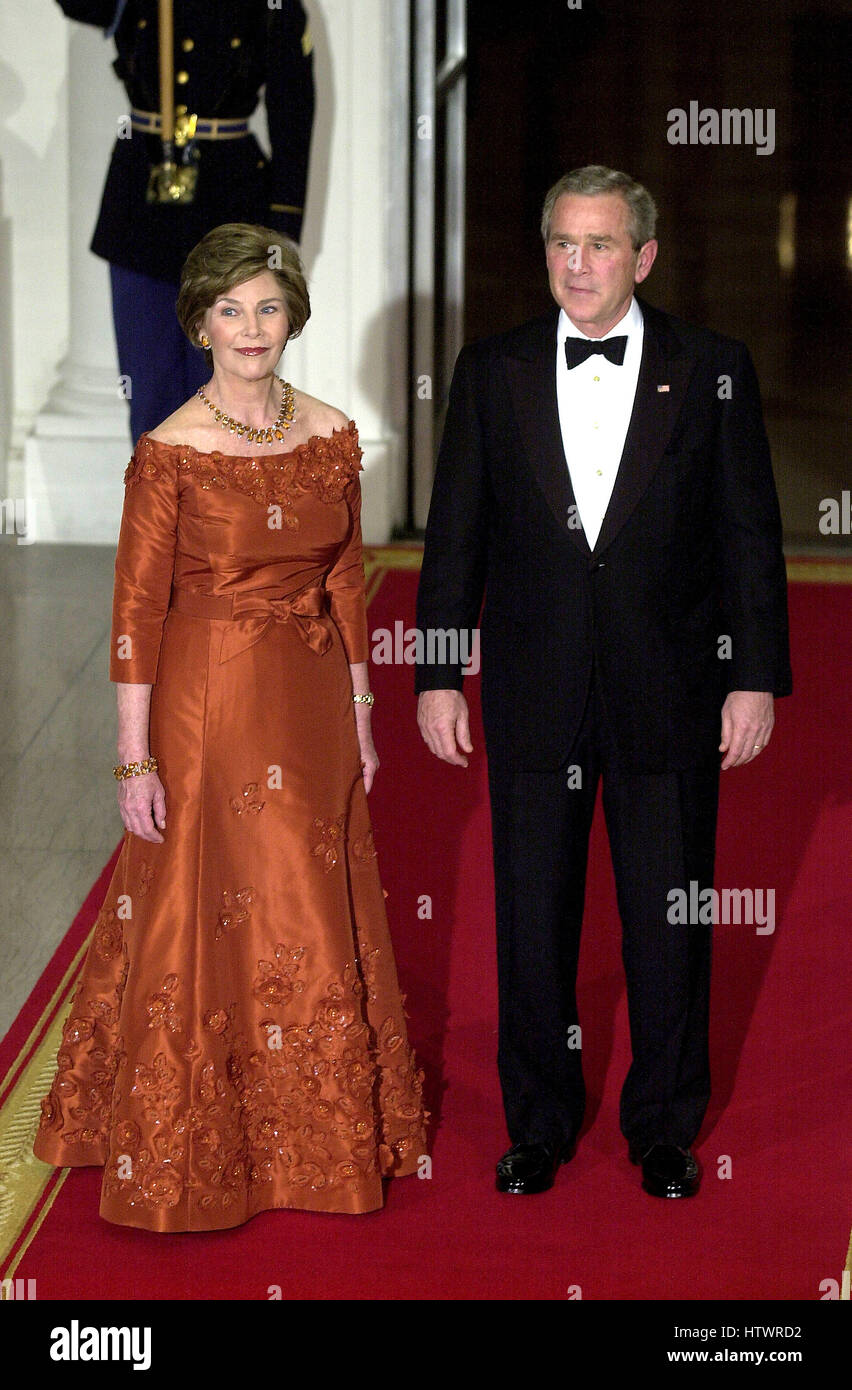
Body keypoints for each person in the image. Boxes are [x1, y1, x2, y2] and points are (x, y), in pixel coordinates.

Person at [33, 222, 427, 1231]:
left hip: (311, 703)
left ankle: (310, 1134)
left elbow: (347, 582)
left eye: (268, 307)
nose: (252, 328)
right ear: (199, 322)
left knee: (307, 895)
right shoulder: (170, 449)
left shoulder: (332, 433)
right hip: (206, 707)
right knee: (202, 908)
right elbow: (135, 611)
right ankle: (199, 1142)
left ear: (293, 316)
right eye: (230, 309)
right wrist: (133, 758)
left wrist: (362, 713)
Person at [415, 165, 792, 1200]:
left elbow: (748, 536)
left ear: (645, 257)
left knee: (668, 918)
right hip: (533, 689)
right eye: (562, 244)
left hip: (671, 690)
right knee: (531, 915)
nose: (578, 265)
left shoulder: (712, 367)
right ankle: (536, 1123)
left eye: (601, 245)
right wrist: (438, 671)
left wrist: (753, 678)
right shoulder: (490, 369)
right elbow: (455, 534)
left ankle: (664, 1126)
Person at [55, 0, 315, 441]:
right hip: (142, 206)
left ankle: (222, 490)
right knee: (150, 391)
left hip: (229, 204)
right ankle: (155, 488)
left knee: (229, 390)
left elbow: (293, 108)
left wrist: (283, 227)